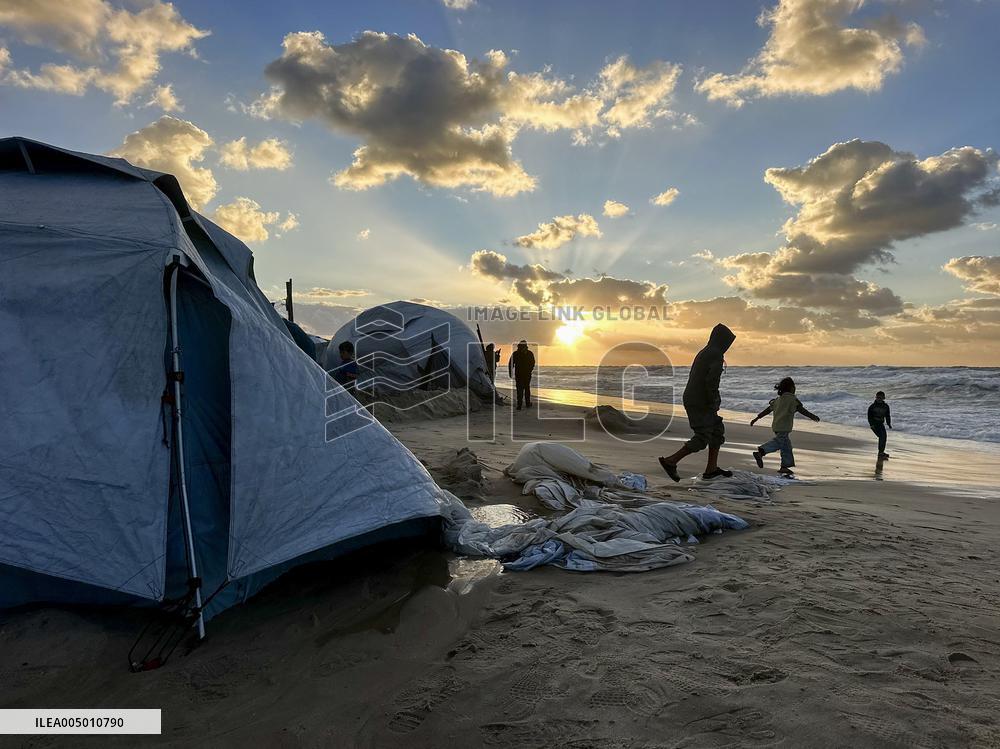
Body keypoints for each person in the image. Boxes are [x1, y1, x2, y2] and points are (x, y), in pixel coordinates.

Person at [658, 323, 736, 481]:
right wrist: (713, 400)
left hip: (695, 398)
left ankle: (711, 469)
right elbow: (711, 381)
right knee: (703, 437)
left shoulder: (706, 351)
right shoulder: (716, 354)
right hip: (701, 401)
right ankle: (671, 461)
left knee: (717, 431)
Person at [751, 376, 820, 476]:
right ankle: (761, 452)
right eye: (794, 386)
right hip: (784, 427)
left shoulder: (778, 400)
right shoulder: (792, 400)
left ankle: (784, 466)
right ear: (791, 388)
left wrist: (757, 418)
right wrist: (812, 416)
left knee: (786, 447)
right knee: (779, 442)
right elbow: (802, 410)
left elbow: (767, 410)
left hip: (776, 426)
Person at [508, 340, 535, 410]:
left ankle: (519, 405)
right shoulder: (529, 353)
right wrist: (530, 369)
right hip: (526, 374)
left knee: (520, 389)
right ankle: (527, 404)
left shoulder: (516, 353)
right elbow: (532, 363)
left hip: (520, 374)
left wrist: (510, 372)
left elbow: (510, 364)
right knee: (526, 388)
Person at [868, 390, 892, 459]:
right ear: (876, 398)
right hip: (874, 424)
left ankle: (881, 452)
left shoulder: (886, 406)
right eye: (878, 398)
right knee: (882, 437)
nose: (879, 399)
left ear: (884, 398)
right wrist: (871, 424)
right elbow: (869, 416)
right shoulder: (872, 407)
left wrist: (888, 423)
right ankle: (881, 452)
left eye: (880, 398)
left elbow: (887, 415)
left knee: (884, 437)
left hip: (881, 424)